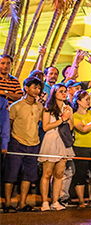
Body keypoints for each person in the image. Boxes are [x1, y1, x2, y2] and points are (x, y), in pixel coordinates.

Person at [3, 77, 44, 212]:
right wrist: (6, 143)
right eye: (34, 87)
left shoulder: (39, 106)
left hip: (33, 143)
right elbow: (7, 126)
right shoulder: (15, 106)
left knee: (28, 175)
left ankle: (22, 203)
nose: (37, 90)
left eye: (38, 88)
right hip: (17, 142)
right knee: (11, 173)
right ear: (26, 88)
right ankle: (8, 203)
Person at [38, 83, 73, 211]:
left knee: (59, 173)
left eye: (65, 91)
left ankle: (55, 201)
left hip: (63, 141)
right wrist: (61, 119)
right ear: (54, 93)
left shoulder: (68, 108)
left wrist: (69, 116)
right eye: (61, 91)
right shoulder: (48, 109)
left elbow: (70, 127)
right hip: (51, 139)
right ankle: (45, 202)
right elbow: (46, 127)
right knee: (47, 173)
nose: (64, 93)